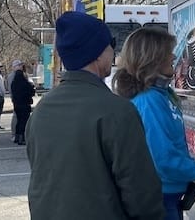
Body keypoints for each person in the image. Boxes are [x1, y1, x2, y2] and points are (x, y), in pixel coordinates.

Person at [26, 11, 164, 219]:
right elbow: (141, 194)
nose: (114, 51)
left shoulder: (41, 111)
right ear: (98, 53)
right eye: (111, 44)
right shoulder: (117, 111)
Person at [113, 27, 195, 220]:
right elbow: (162, 158)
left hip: (167, 197)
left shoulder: (161, 95)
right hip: (158, 199)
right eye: (167, 52)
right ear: (151, 59)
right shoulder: (149, 101)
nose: (173, 56)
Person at [10, 63, 34, 146]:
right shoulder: (25, 83)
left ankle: (17, 137)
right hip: (25, 104)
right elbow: (31, 91)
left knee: (19, 120)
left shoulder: (14, 83)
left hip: (16, 104)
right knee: (24, 121)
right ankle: (22, 138)